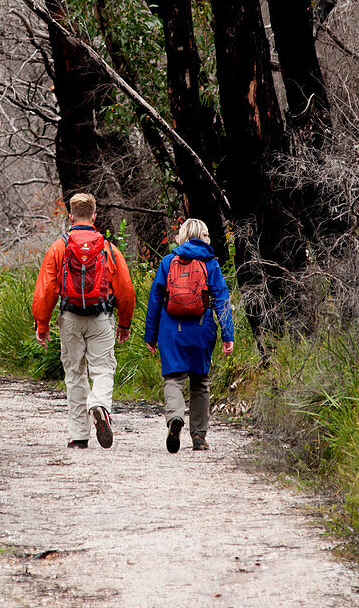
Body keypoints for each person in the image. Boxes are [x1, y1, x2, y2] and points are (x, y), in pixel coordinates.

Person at [32, 192, 136, 449]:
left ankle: (79, 436)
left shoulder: (59, 247)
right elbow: (126, 290)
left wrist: (42, 325)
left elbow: (45, 290)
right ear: (94, 215)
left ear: (70, 216)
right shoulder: (108, 248)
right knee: (103, 369)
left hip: (70, 318)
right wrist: (124, 323)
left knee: (75, 374)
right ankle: (98, 404)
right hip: (101, 318)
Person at [144, 218, 234, 453]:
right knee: (200, 381)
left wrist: (150, 335)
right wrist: (227, 335)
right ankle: (199, 436)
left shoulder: (167, 262)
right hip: (201, 328)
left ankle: (175, 418)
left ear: (182, 236)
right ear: (205, 236)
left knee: (174, 379)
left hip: (171, 330)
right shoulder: (210, 264)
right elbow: (222, 301)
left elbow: (155, 301)